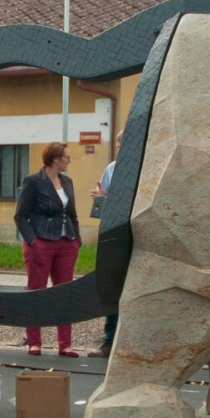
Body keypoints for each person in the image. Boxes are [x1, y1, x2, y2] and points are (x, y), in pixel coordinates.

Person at [15, 142, 81, 357]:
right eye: (66, 157)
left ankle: (65, 344)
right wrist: (33, 241)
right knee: (37, 291)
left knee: (65, 294)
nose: (69, 161)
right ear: (55, 159)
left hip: (66, 243)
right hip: (41, 242)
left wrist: (76, 240)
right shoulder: (34, 181)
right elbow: (20, 216)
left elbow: (72, 214)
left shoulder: (67, 182)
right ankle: (34, 342)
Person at [85, 129, 123, 357]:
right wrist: (100, 199)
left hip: (139, 235)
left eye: (122, 145)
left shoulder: (147, 167)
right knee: (112, 288)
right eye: (118, 146)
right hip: (114, 235)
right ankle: (109, 342)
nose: (119, 149)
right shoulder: (112, 169)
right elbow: (101, 207)